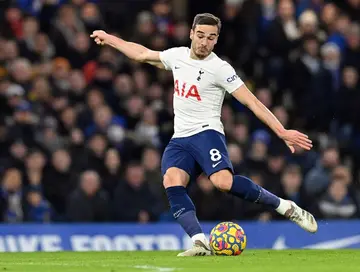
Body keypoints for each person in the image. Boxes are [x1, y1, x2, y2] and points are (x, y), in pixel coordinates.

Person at [90, 13, 317, 257]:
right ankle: (199, 241)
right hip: (180, 139)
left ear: (216, 40)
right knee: (172, 180)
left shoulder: (219, 68)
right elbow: (142, 53)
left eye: (211, 38)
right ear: (191, 33)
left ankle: (286, 207)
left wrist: (281, 131)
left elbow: (251, 101)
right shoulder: (177, 56)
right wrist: (109, 38)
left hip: (207, 133)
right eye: (200, 36)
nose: (204, 42)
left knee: (222, 183)